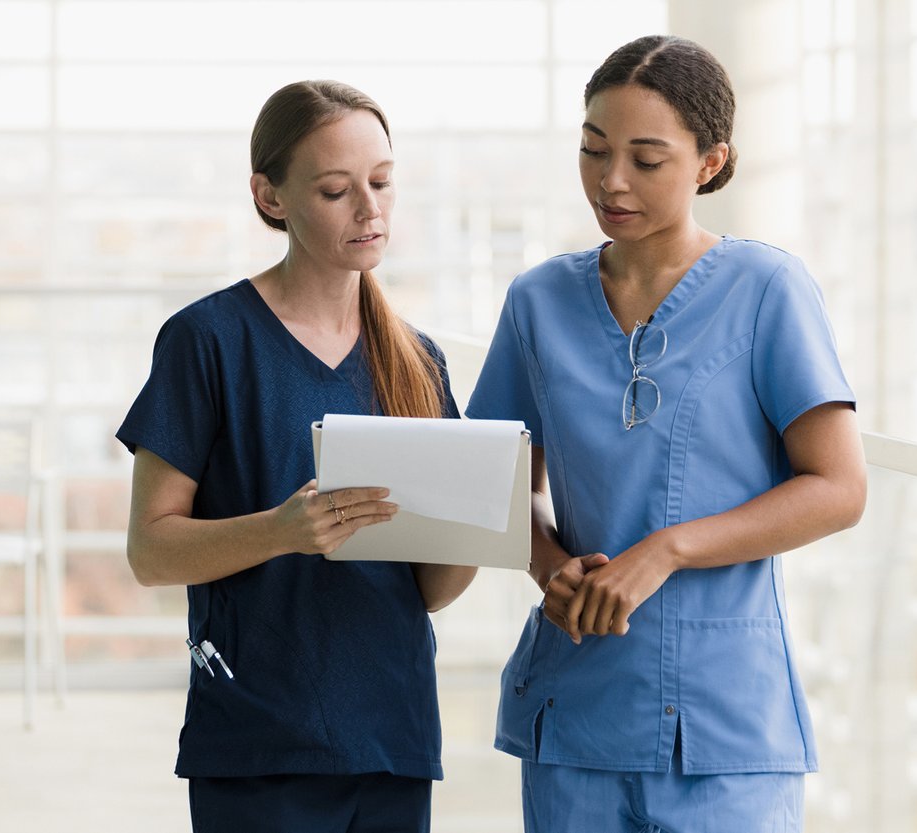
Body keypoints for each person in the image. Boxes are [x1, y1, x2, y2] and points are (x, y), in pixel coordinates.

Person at [466, 35, 868, 832]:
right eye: (593, 150)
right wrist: (551, 567)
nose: (611, 181)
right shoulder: (538, 301)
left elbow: (838, 488)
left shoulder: (768, 290)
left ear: (711, 163)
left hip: (726, 723)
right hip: (577, 706)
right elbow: (502, 487)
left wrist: (668, 548)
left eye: (646, 160)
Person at [117, 79, 477, 833]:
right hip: (259, 741)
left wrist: (485, 525)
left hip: (392, 735)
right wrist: (282, 531)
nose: (369, 208)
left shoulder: (418, 361)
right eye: (337, 189)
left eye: (381, 182)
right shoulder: (207, 342)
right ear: (270, 196)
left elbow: (430, 588)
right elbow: (151, 549)